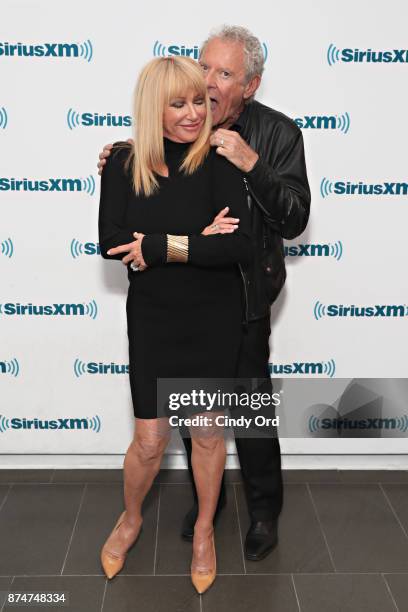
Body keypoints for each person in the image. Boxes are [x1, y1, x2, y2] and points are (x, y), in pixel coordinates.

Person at [97, 25, 311, 562]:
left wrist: (251, 164)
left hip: (247, 296)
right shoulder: (179, 132)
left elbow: (291, 218)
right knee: (199, 424)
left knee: (251, 413)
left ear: (251, 84)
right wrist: (122, 161)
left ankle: (263, 513)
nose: (208, 86)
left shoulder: (277, 134)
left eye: (223, 74)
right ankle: (207, 508)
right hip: (180, 301)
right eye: (203, 67)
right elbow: (130, 225)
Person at [98, 55, 253, 594]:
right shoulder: (122, 162)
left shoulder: (219, 161)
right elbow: (111, 242)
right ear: (152, 108)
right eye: (179, 103)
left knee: (208, 434)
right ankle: (131, 517)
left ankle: (206, 530)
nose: (194, 114)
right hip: (155, 318)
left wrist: (160, 244)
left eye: (200, 102)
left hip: (213, 316)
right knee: (149, 440)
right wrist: (197, 238)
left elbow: (237, 244)